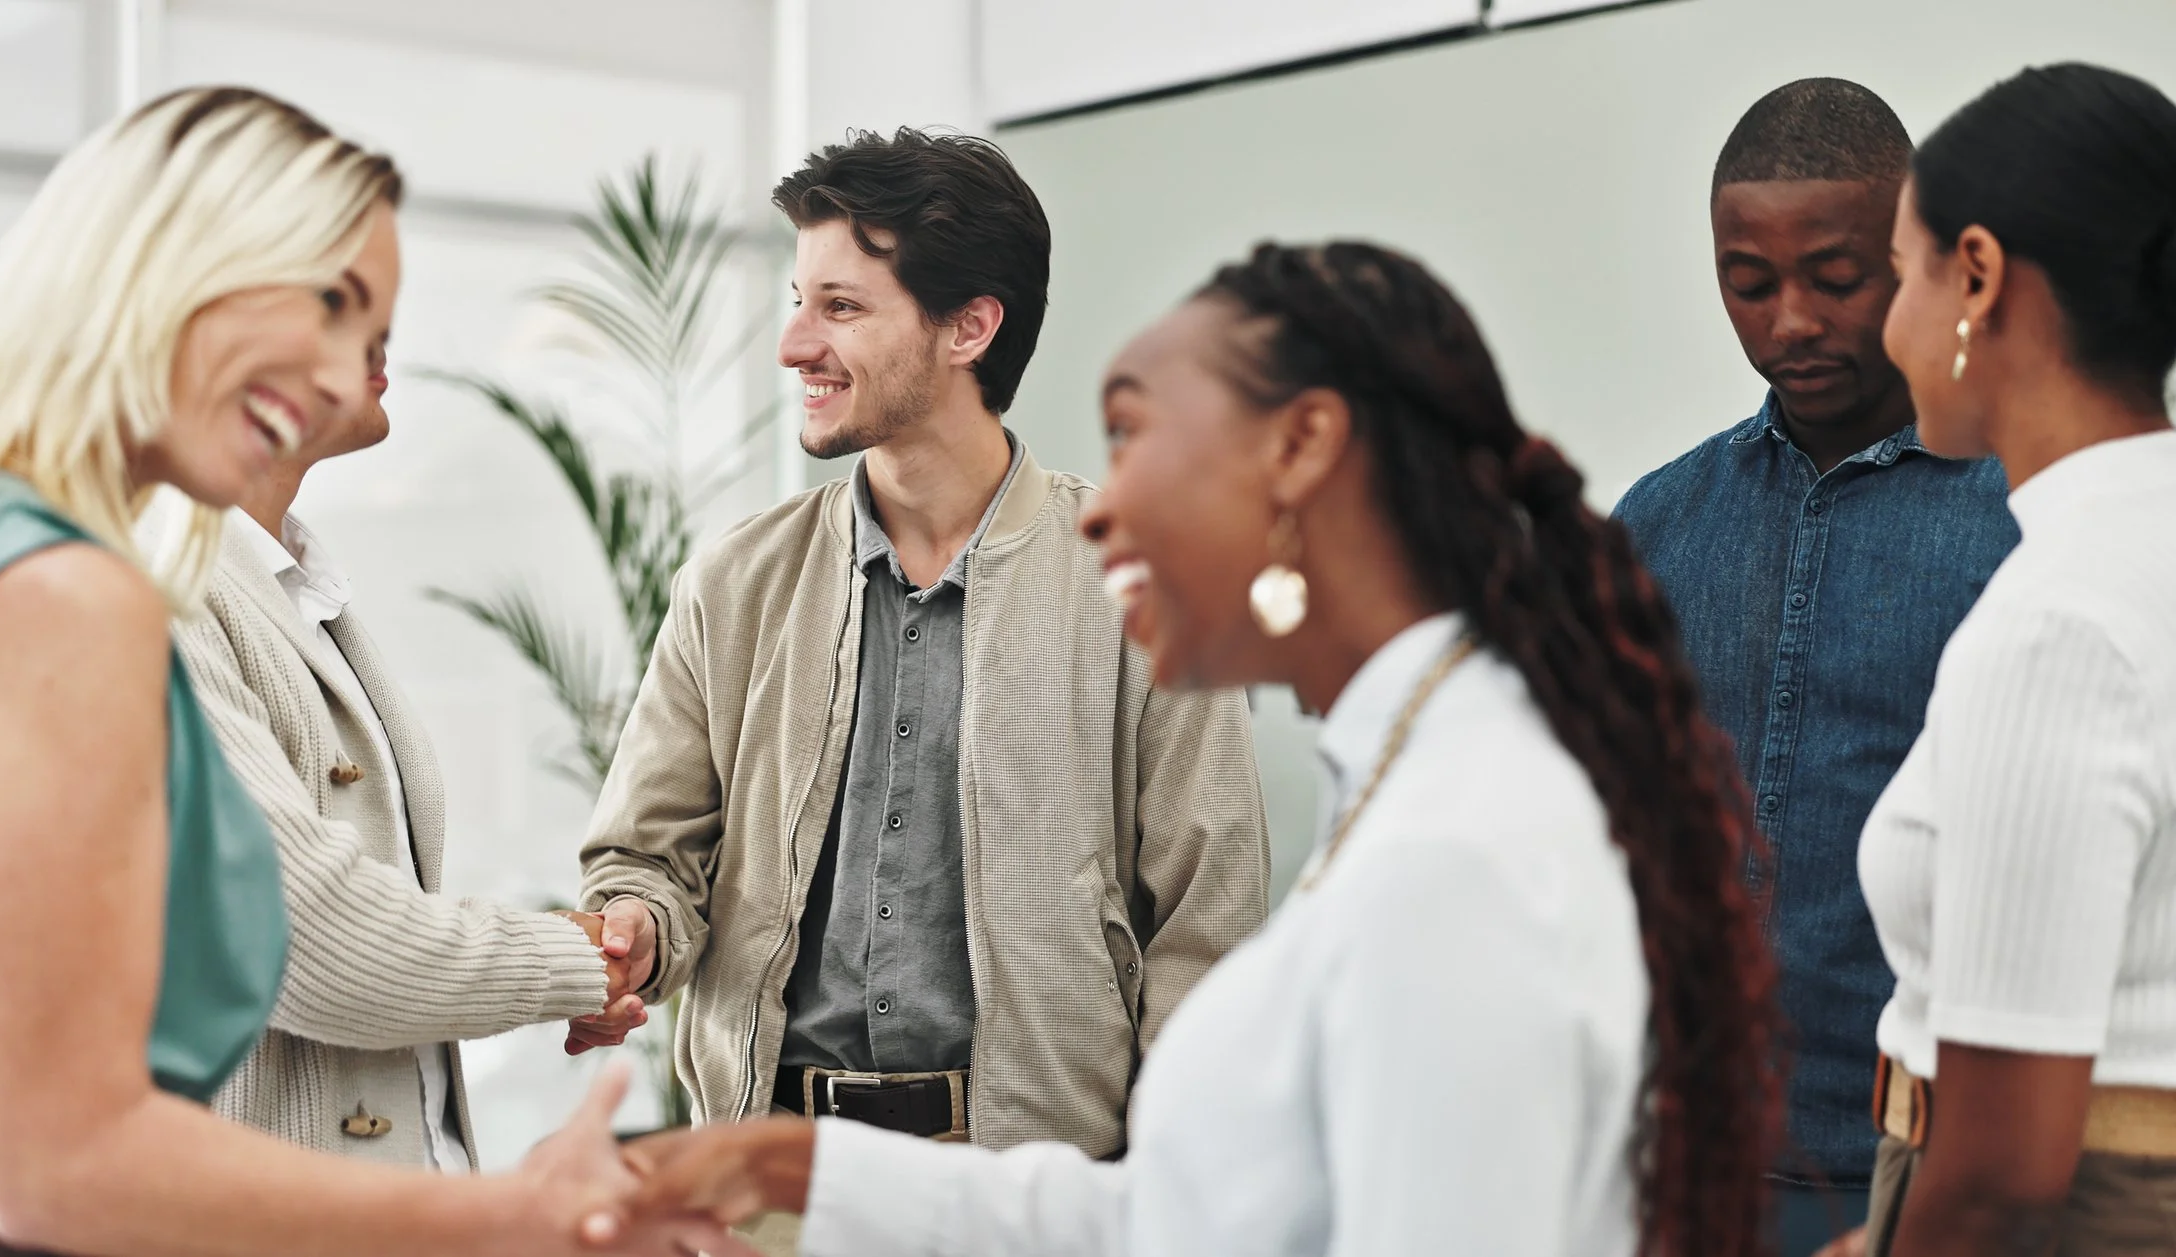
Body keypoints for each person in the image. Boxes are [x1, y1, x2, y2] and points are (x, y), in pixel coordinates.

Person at [592, 239, 1786, 1257]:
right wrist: (806, 1172)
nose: (1099, 508)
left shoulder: (1451, 854)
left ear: (1300, 446)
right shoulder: (1414, 780)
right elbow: (1186, 1217)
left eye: (1133, 436)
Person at [0, 86, 734, 1256]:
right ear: (171, 256)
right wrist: (516, 1214)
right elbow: (62, 1169)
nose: (346, 378)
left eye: (372, 331)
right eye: (331, 302)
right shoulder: (68, 597)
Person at [568, 128, 1270, 1248]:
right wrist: (632, 933)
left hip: (1028, 1199)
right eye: (798, 301)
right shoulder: (735, 582)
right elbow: (648, 859)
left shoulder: (1146, 584)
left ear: (967, 326)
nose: (795, 341)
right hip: (769, 1198)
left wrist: (1162, 1196)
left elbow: (1205, 926)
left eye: (840, 307)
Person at [1612, 78, 2019, 1253]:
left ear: (1919, 256)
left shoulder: (2022, 516)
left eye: (1834, 279)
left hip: (1931, 1167)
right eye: (1747, 284)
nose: (1788, 320)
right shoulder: (1655, 526)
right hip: (1681, 1158)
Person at [1839, 62, 2176, 1255]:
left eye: (1895, 275)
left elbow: (2001, 1171)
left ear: (1974, 274)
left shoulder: (2054, 624)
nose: (1885, 327)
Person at [158, 373, 611, 1167]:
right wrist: (579, 955)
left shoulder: (294, 586)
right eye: (334, 301)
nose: (378, 334)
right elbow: (305, 939)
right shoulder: (161, 587)